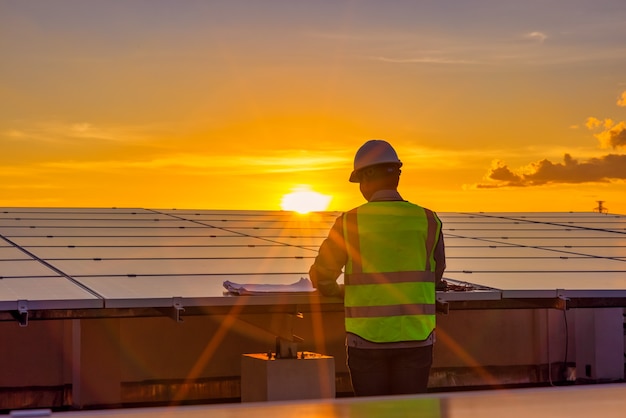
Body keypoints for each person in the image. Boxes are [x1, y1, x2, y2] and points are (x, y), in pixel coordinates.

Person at [309, 139, 446, 397]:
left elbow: (322, 277)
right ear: (396, 176)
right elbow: (436, 274)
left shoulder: (350, 221)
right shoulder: (428, 219)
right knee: (412, 414)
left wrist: (342, 292)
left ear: (367, 177)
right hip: (416, 335)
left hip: (367, 339)